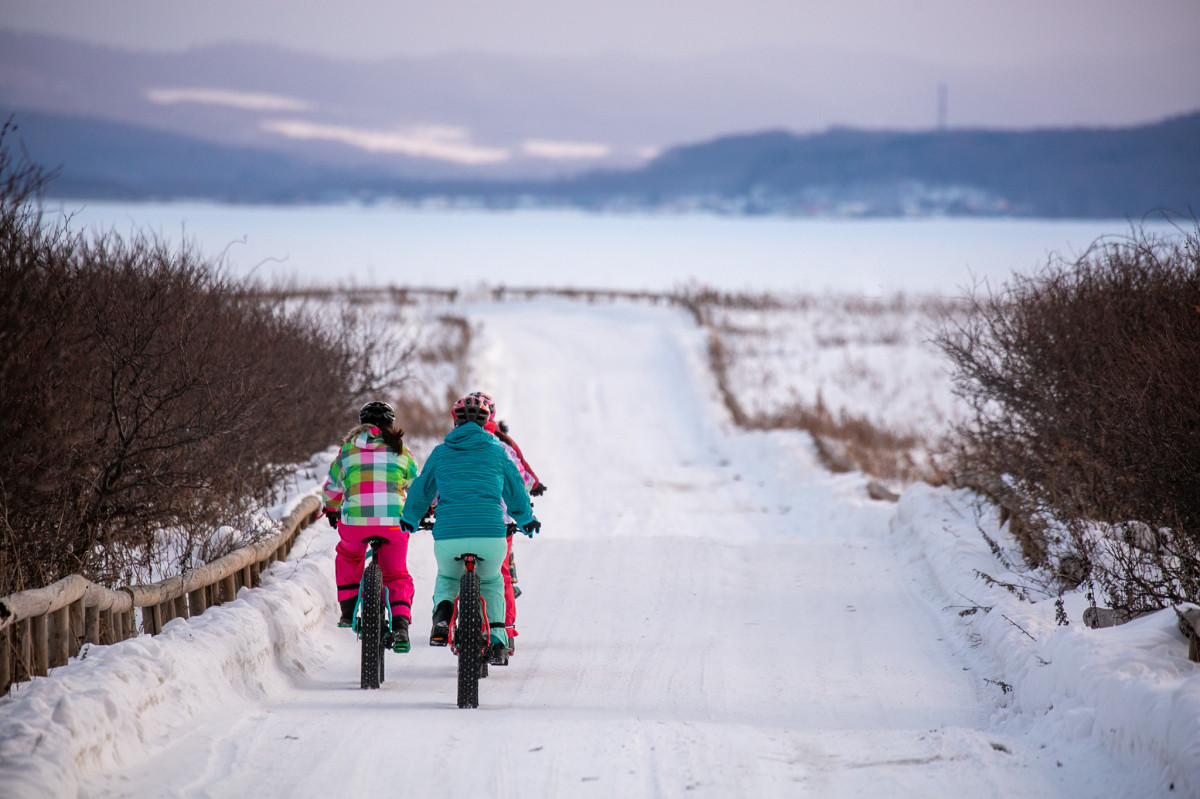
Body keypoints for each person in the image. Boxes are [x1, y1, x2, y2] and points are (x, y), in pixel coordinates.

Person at [399, 393, 540, 666]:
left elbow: (421, 490)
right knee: (492, 582)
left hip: (449, 535)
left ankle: (442, 618)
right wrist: (525, 519)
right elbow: (516, 493)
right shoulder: (498, 452)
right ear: (487, 421)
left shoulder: (440, 453)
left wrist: (410, 518)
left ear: (455, 422)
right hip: (490, 534)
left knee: (448, 578)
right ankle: (498, 643)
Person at [323, 401, 418, 653]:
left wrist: (332, 509)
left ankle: (347, 609)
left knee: (349, 556)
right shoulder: (402, 452)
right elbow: (416, 487)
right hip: (393, 523)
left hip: (355, 523)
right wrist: (422, 510)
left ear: (361, 424)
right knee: (396, 573)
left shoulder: (347, 451)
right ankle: (400, 626)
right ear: (391, 424)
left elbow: (333, 487)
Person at [465, 392, 547, 655]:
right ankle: (505, 630)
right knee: (501, 575)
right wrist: (525, 506)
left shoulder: (451, 445)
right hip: (497, 522)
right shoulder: (500, 443)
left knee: (453, 574)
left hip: (459, 523)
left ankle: (449, 621)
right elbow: (520, 475)